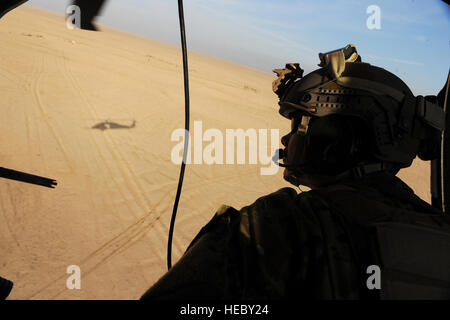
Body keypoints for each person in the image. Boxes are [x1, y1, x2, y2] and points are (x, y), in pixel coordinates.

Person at [141, 44, 450, 300]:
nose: (288, 140)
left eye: (301, 125)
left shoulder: (282, 224)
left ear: (341, 141)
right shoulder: (440, 230)